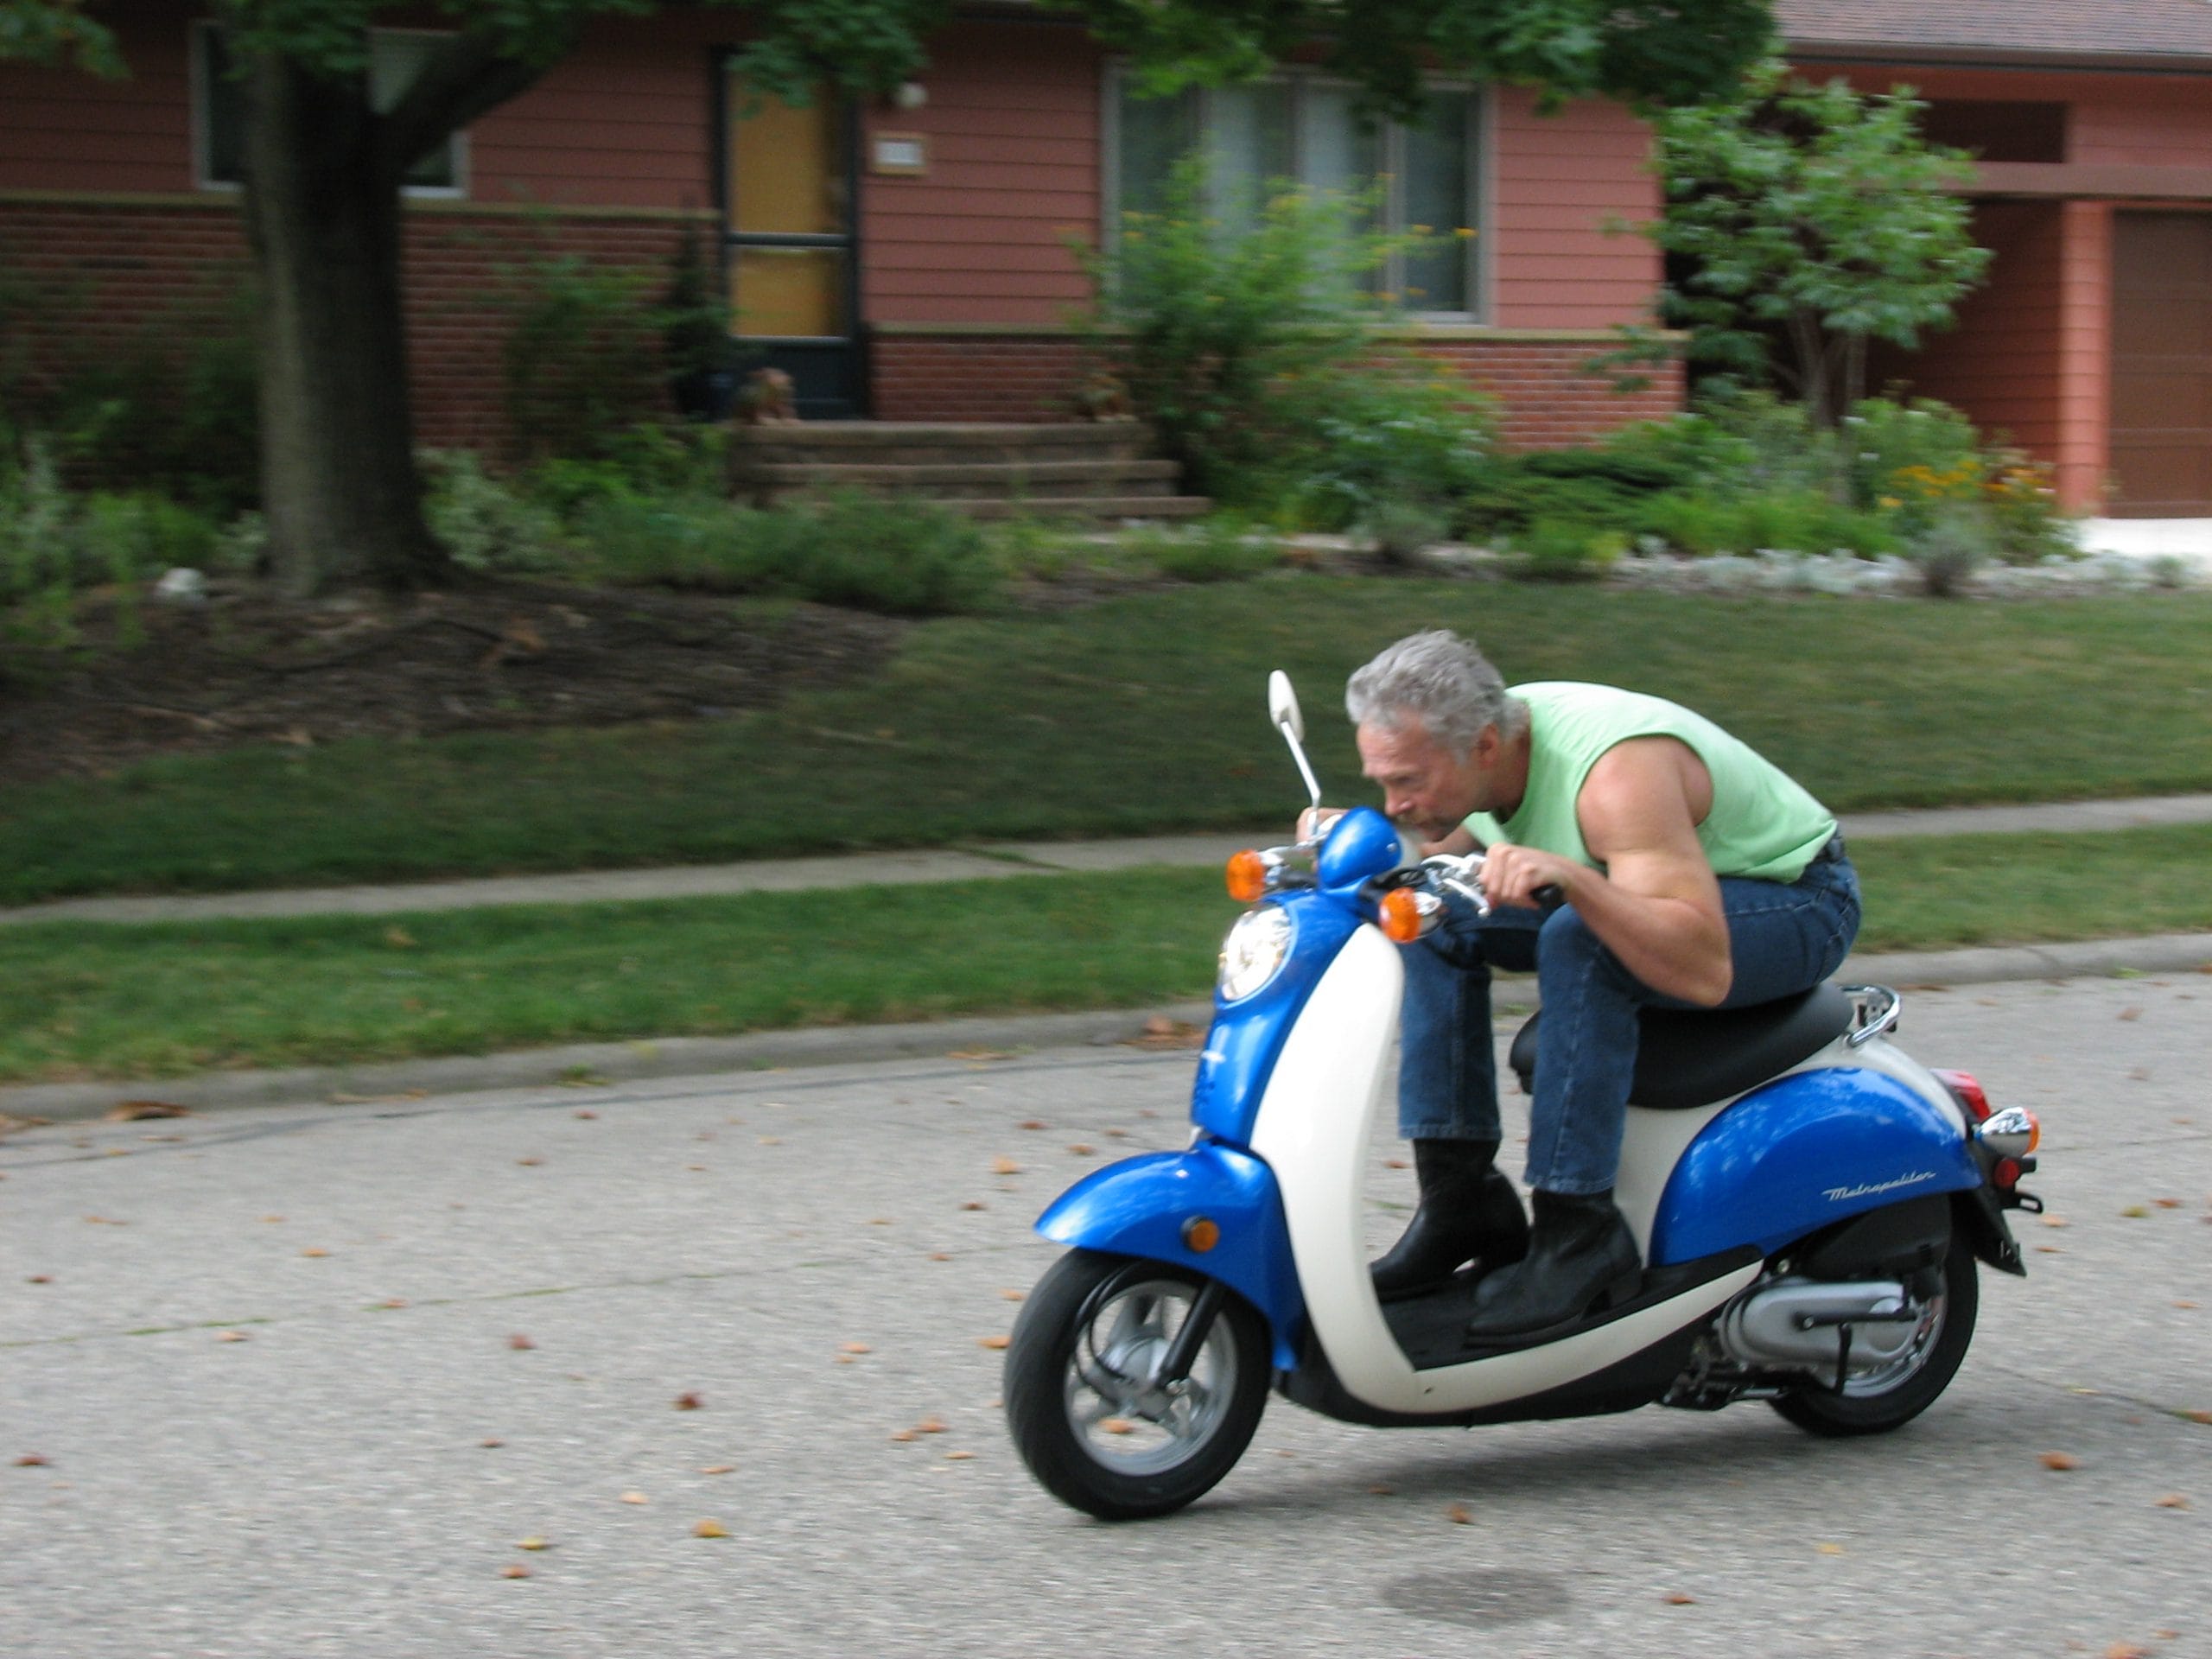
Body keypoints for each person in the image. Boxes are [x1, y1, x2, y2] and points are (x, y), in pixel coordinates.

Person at [1330, 630, 1861, 1340]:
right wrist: (1345, 842)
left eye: (1407, 782)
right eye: (1383, 783)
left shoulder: (1616, 777)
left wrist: (1576, 880)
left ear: (1483, 746)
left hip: (1797, 900)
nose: (1395, 802)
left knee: (1579, 937)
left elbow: (1704, 966)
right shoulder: (1482, 752)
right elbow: (1426, 859)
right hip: (1656, 888)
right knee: (1423, 914)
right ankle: (1463, 1204)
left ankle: (1578, 1232)